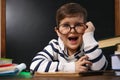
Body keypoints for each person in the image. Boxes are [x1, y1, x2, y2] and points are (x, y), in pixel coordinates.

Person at [30, 2, 108, 74]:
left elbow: (100, 68)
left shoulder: (89, 45)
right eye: (66, 25)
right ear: (58, 31)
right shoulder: (55, 46)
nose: (72, 31)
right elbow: (34, 66)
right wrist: (72, 67)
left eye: (78, 25)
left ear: (85, 28)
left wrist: (88, 36)